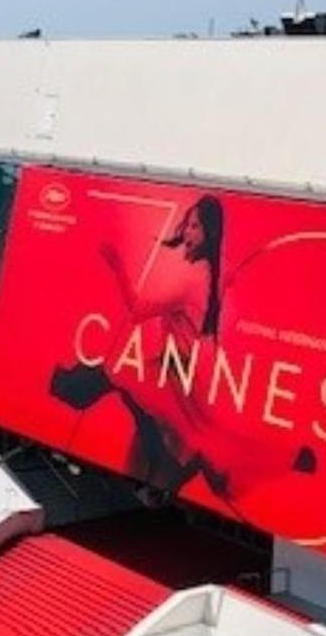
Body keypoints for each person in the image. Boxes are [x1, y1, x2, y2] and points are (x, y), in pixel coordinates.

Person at [49, 193, 226, 502]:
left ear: (210, 233)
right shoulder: (205, 273)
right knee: (140, 406)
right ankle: (185, 466)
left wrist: (116, 265)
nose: (187, 232)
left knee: (119, 377)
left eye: (196, 227)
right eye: (188, 225)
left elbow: (138, 308)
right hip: (175, 368)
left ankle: (64, 386)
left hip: (173, 370)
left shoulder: (194, 277)